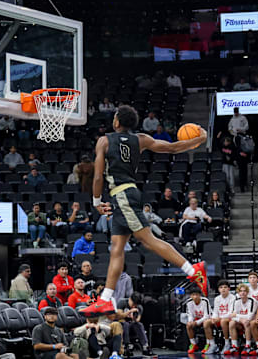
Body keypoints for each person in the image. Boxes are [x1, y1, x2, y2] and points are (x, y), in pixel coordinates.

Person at [80, 106, 208, 317]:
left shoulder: (104, 141)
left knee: (146, 239)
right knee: (116, 248)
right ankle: (105, 300)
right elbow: (173, 148)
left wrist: (95, 201)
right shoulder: (141, 139)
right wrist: (199, 140)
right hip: (127, 194)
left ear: (117, 122)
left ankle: (193, 270)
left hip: (121, 195)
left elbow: (97, 176)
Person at [201, 280, 236, 354]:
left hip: (230, 318)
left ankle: (227, 343)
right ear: (218, 289)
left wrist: (220, 318)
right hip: (219, 318)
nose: (223, 289)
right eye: (221, 287)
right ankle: (213, 345)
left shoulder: (233, 297)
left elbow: (231, 312)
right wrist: (214, 318)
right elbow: (215, 311)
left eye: (225, 287)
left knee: (223, 321)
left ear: (229, 289)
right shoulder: (217, 298)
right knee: (206, 322)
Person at [226, 284, 258, 355]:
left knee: (247, 322)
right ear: (238, 292)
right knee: (231, 322)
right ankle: (235, 346)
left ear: (247, 292)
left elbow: (249, 316)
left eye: (244, 291)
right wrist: (240, 319)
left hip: (254, 323)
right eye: (240, 291)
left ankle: (248, 345)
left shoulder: (252, 301)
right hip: (241, 322)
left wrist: (237, 316)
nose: (242, 293)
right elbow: (232, 316)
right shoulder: (236, 301)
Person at [185, 286, 212, 353]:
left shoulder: (205, 301)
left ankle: (208, 344)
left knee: (206, 323)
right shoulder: (189, 302)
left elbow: (207, 315)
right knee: (188, 325)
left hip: (207, 319)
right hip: (197, 319)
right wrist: (191, 321)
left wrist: (197, 322)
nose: (195, 297)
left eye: (197, 294)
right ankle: (193, 344)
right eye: (193, 295)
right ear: (191, 296)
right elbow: (190, 314)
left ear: (200, 295)